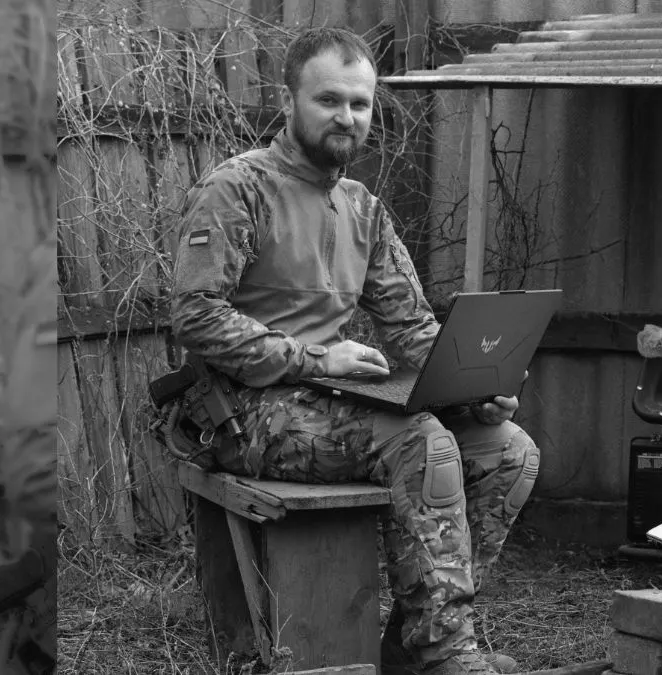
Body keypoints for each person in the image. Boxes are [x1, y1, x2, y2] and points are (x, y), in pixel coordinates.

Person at [167, 27, 539, 675]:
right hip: (247, 412)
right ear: (290, 102)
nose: (347, 116)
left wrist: (476, 385)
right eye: (329, 100)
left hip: (334, 406)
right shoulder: (239, 189)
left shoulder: (361, 209)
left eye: (360, 104)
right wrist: (317, 360)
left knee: (508, 448)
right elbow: (195, 316)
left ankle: (411, 642)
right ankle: (446, 653)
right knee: (422, 442)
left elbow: (413, 330)